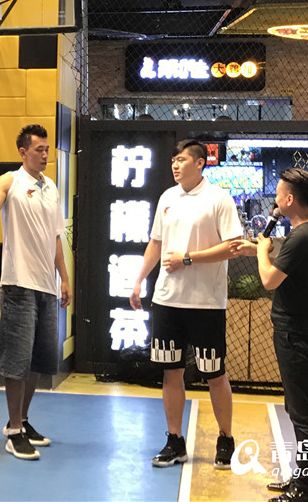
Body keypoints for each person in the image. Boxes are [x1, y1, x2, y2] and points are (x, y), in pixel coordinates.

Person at [0, 124, 71, 461]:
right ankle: (15, 432)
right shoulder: (9, 181)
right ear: (23, 152)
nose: (45, 155)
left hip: (46, 285)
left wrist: (64, 278)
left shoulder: (51, 187)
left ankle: (20, 420)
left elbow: (56, 237)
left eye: (47, 149)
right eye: (39, 150)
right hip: (18, 284)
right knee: (16, 361)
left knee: (38, 360)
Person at [129, 139, 243, 469]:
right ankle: (174, 441)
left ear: (200, 163)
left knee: (214, 373)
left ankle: (225, 438)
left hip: (206, 303)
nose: (175, 165)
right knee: (171, 373)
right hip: (167, 301)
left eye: (181, 160)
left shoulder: (218, 199)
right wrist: (139, 280)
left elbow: (233, 246)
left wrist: (188, 259)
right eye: (173, 160)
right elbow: (156, 243)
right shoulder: (167, 197)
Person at [230, 169, 308, 502]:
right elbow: (292, 272)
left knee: (303, 413)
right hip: (300, 331)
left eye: (277, 194)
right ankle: (305, 478)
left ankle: (307, 488)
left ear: (289, 199)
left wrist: (262, 251)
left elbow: (269, 280)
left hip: (297, 334)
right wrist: (260, 251)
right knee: (299, 409)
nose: (274, 201)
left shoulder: (303, 236)